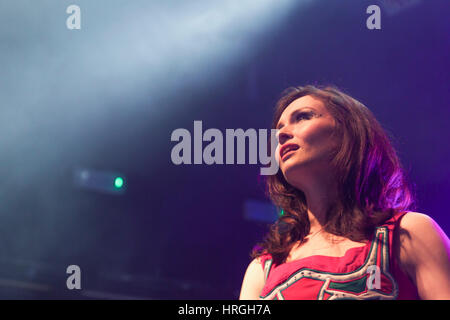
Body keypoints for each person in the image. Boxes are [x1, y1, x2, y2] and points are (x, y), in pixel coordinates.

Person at [239, 85, 450, 300]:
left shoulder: (409, 233)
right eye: (278, 129)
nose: (281, 134)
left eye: (303, 117)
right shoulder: (262, 271)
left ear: (348, 132)